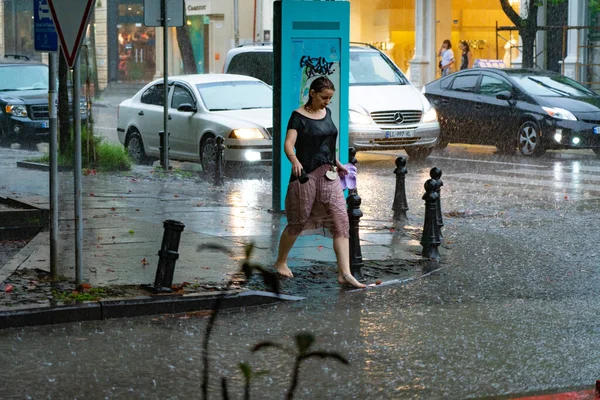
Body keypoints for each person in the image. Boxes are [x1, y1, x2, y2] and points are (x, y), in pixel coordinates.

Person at [274, 76, 366, 289]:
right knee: (297, 221)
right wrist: (294, 160)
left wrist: (338, 163)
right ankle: (281, 261)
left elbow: (326, 145)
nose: (327, 102)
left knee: (340, 220)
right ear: (312, 93)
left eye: (330, 98)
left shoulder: (328, 113)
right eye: (324, 97)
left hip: (329, 174)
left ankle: (345, 273)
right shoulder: (297, 116)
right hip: (305, 175)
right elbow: (289, 144)